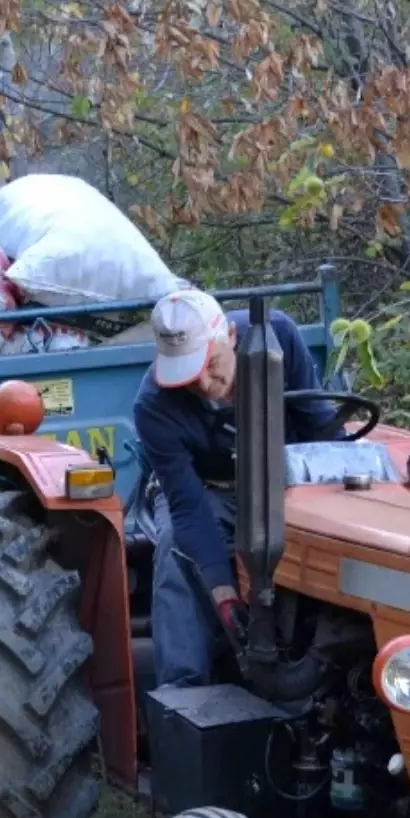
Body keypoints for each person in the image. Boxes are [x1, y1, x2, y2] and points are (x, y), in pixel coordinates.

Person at [133, 289, 342, 689]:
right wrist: (224, 595)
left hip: (291, 481)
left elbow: (321, 425)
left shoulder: (277, 336)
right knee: (176, 549)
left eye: (211, 365)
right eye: (188, 377)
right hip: (209, 490)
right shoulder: (154, 407)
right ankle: (183, 693)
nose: (204, 383)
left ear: (229, 334)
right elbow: (187, 505)